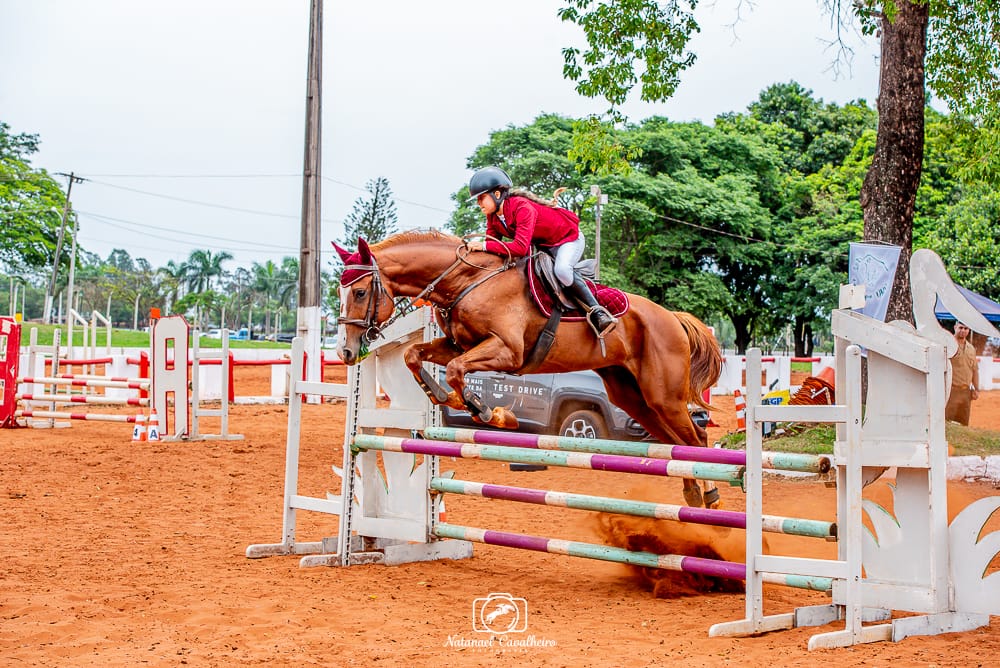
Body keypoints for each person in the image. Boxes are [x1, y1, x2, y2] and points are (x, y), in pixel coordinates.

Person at [464, 166, 617, 337]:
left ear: (497, 194)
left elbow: (520, 248)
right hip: (545, 246)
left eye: (481, 198)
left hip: (568, 239)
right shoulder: (493, 217)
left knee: (562, 270)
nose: (479, 204)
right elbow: (492, 244)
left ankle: (598, 312)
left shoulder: (522, 207)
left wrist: (483, 246)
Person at [945, 321, 980, 426]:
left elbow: (974, 370)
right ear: (955, 327)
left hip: (966, 392)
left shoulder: (971, 349)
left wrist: (976, 389)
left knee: (964, 424)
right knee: (947, 423)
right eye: (960, 328)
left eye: (966, 328)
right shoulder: (948, 346)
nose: (963, 331)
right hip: (951, 391)